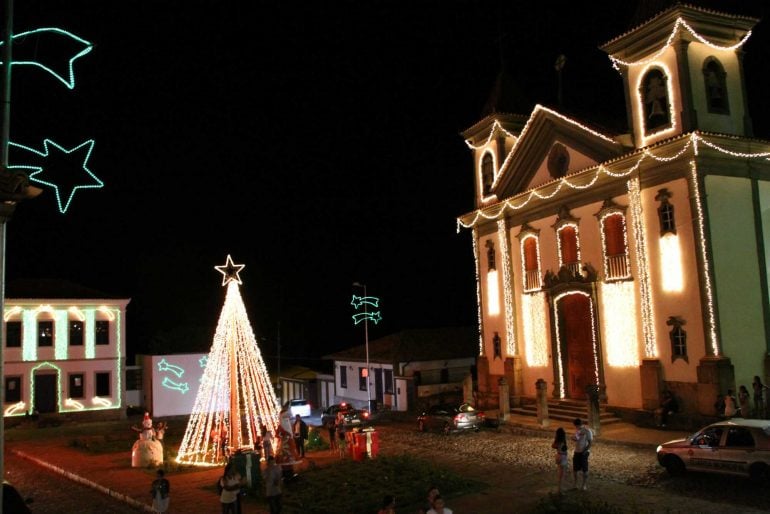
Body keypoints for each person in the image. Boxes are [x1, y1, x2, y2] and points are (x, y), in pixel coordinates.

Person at [571, 417, 593, 491]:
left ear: (580, 424)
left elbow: (590, 443)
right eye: (576, 426)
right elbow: (577, 439)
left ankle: (584, 485)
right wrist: (573, 438)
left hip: (584, 452)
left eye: (576, 426)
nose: (576, 427)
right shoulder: (578, 430)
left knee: (585, 469)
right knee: (575, 469)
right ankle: (575, 484)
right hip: (577, 451)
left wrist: (585, 451)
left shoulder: (587, 431)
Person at [551, 427, 569, 493]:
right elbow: (561, 450)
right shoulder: (562, 441)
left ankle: (560, 488)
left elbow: (553, 446)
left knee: (560, 473)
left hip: (558, 456)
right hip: (562, 457)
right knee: (562, 474)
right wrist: (565, 453)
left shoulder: (557, 440)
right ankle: (560, 489)